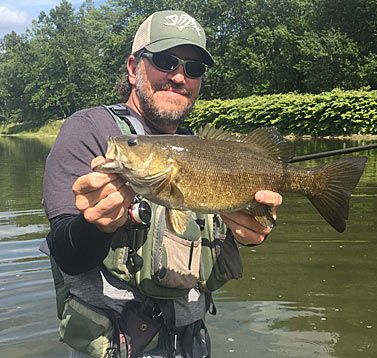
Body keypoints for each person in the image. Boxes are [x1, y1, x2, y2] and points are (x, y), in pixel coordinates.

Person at [42, 9, 282, 358]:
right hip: (117, 346)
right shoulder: (89, 132)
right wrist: (95, 226)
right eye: (166, 61)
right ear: (132, 66)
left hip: (192, 345)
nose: (179, 77)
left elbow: (232, 232)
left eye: (193, 68)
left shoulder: (206, 150)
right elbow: (65, 251)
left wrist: (254, 229)